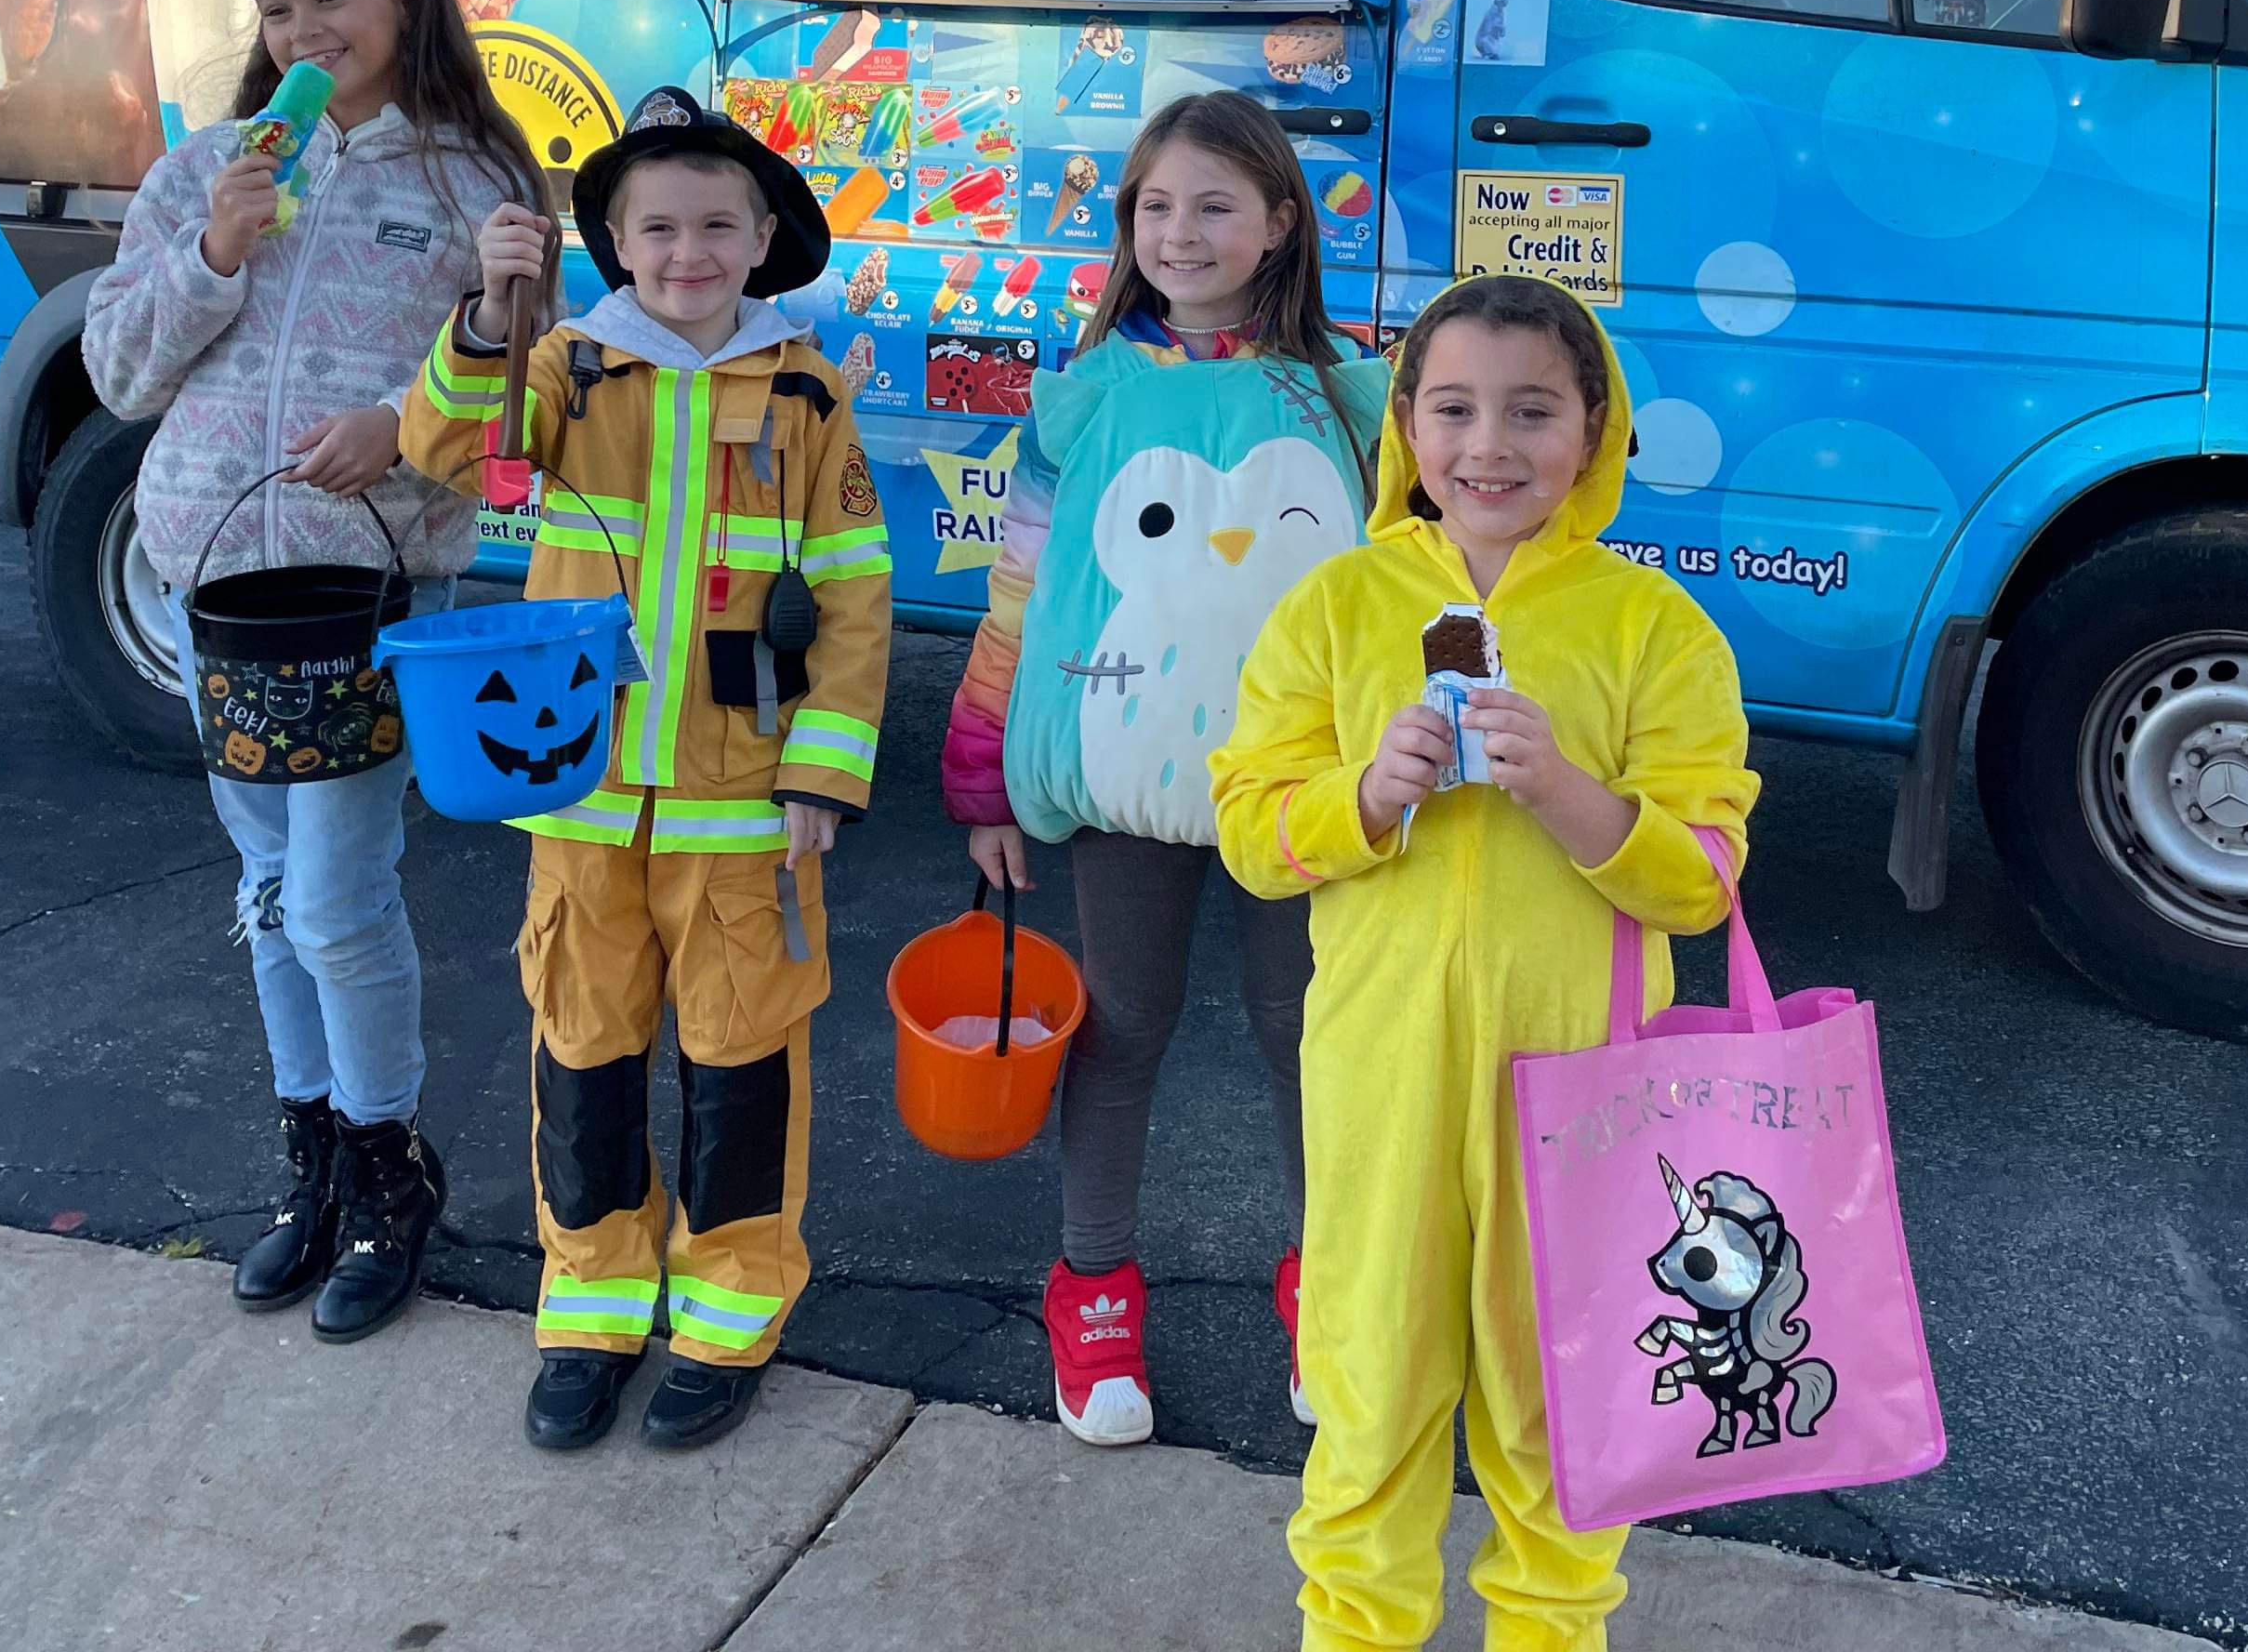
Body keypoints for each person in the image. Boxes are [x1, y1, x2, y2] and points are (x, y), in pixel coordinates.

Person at [1213, 275, 1757, 1651]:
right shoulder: (1335, 609)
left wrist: (1571, 794)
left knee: (1562, 1395)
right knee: (1373, 1383)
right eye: (1453, 409)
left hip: (1587, 1089)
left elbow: (1705, 879)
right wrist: (1368, 796)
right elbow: (1252, 834)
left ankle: (1553, 1632)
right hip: (1382, 1072)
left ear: (1595, 435)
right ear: (1406, 427)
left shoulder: (1656, 630)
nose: (1491, 447)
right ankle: (1354, 1631)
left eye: (1534, 412)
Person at [83, 0, 541, 1344]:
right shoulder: (211, 169)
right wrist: (211, 251)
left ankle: (389, 1165)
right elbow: (122, 372)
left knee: (341, 898)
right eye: (277, 11)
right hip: (218, 587)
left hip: (366, 592)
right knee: (270, 895)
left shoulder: (475, 175)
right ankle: (313, 1162)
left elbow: (521, 411)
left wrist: (399, 434)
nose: (303, 33)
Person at [401, 86, 891, 1455]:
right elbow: (448, 450)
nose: (688, 251)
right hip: (580, 793)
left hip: (744, 809)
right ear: (614, 242)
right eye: (657, 226)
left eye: (717, 223)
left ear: (762, 236)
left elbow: (854, 596)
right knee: (586, 1054)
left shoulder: (804, 389)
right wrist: (488, 319)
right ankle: (594, 1303)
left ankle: (731, 1317)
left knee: (742, 1068)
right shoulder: (562, 365)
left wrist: (822, 775)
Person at [941, 90, 1387, 1445]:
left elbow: (1416, 584)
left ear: (1280, 224)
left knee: (1310, 1040)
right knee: (1120, 1031)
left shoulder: (1356, 396)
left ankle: (1335, 1293)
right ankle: (1093, 1287)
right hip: (1127, 792)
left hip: (1306, 794)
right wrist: (981, 779)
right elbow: (1018, 587)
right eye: (1155, 206)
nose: (1180, 233)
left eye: (1213, 205)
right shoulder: (1083, 401)